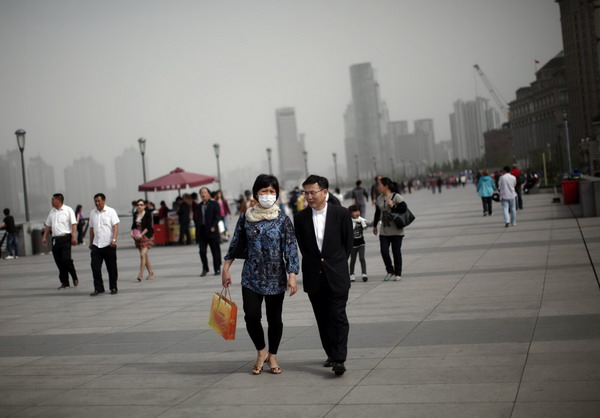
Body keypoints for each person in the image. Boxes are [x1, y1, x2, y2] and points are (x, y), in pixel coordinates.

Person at [222, 174, 299, 375]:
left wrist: (292, 275)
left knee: (275, 319)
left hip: (276, 276)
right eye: (264, 191)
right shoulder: (245, 218)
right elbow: (235, 243)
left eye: (271, 191)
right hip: (251, 276)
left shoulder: (283, 220)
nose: (267, 195)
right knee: (252, 316)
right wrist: (226, 268)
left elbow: (290, 249)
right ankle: (261, 351)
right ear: (256, 193)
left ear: (276, 194)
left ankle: (272, 355)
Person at [294, 174, 353, 376]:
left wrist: (335, 264)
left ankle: (339, 358)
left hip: (337, 275)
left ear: (325, 192)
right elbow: (303, 246)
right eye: (306, 192)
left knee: (338, 316)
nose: (308, 196)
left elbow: (348, 245)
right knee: (322, 318)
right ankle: (331, 353)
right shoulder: (300, 218)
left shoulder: (342, 214)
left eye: (313, 192)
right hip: (314, 276)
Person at [42, 193, 79, 290]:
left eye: (53, 199)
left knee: (66, 260)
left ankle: (74, 275)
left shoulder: (68, 210)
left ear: (59, 200)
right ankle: (65, 282)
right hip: (55, 239)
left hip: (66, 238)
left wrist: (74, 237)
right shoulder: (52, 212)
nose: (52, 201)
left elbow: (74, 224)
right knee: (59, 262)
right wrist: (44, 236)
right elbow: (48, 225)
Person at [373, 177, 407, 282]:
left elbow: (404, 208)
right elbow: (377, 213)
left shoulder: (396, 196)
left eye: (380, 185)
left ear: (386, 186)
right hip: (384, 230)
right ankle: (389, 270)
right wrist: (375, 226)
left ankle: (398, 273)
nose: (378, 187)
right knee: (384, 251)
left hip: (397, 230)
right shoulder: (379, 198)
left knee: (396, 252)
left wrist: (393, 206)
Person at [88, 193, 120, 295]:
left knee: (111, 268)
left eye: (99, 201)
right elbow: (91, 229)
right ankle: (98, 288)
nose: (97, 203)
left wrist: (114, 240)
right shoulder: (92, 213)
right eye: (95, 201)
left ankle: (113, 287)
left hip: (109, 244)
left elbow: (115, 226)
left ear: (104, 201)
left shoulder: (111, 211)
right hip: (96, 245)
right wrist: (91, 242)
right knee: (95, 267)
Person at [195, 187, 222, 276]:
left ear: (208, 194)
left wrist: (214, 226)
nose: (203, 194)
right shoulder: (199, 206)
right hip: (202, 231)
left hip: (212, 231)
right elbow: (197, 219)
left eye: (205, 192)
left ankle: (217, 268)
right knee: (202, 251)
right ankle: (205, 268)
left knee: (215, 251)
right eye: (201, 193)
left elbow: (218, 216)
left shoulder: (214, 204)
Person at [131, 199, 155, 281]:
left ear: (144, 206)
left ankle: (140, 274)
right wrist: (131, 233)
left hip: (147, 236)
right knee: (144, 256)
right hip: (138, 237)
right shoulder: (135, 214)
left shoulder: (148, 214)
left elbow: (148, 227)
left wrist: (142, 234)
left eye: (141, 205)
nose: (139, 206)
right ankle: (151, 273)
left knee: (142, 254)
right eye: (138, 205)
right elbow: (133, 225)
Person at [348, 205, 368, 282]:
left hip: (361, 243)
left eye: (358, 211)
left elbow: (367, 225)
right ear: (350, 213)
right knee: (353, 260)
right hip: (353, 244)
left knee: (362, 258)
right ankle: (351, 274)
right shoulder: (349, 222)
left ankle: (364, 274)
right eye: (355, 211)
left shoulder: (362, 221)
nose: (357, 213)